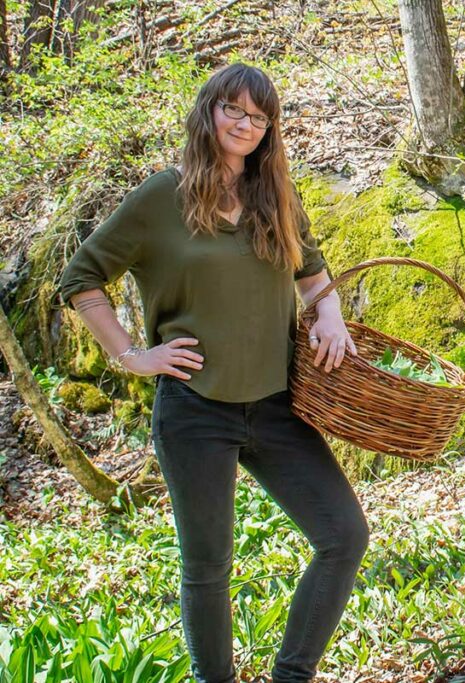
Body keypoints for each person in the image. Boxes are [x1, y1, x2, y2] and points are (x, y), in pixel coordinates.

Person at [57, 62, 371, 683]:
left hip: (279, 404)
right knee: (208, 566)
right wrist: (131, 355)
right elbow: (82, 277)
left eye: (260, 117)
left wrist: (329, 312)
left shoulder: (273, 194)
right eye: (235, 110)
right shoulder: (160, 198)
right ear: (209, 110)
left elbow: (311, 269)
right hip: (195, 410)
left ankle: (292, 676)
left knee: (344, 537)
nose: (247, 124)